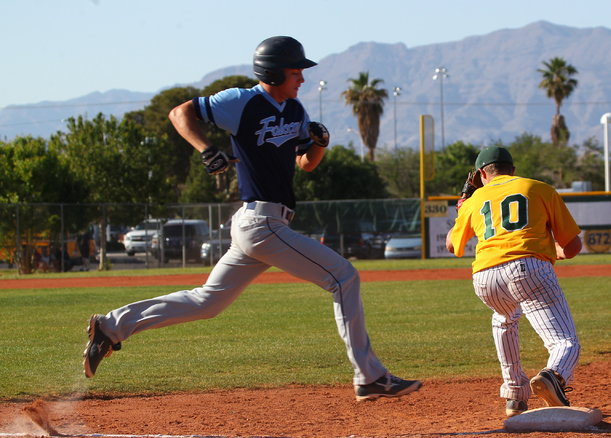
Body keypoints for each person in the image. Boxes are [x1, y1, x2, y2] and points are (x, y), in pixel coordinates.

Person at [83, 36, 421, 401]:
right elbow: (180, 113)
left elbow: (305, 164)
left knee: (207, 302)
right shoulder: (242, 102)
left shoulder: (296, 111)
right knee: (344, 277)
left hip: (266, 225)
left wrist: (319, 143)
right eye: (296, 71)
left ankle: (111, 326)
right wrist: (207, 149)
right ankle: (370, 376)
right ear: (273, 72)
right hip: (260, 223)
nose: (302, 79)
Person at [445, 146, 582, 418]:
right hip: (527, 269)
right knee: (565, 342)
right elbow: (573, 245)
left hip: (484, 277)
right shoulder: (539, 188)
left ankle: (515, 394)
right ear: (513, 170)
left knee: (505, 318)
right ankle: (552, 376)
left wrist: (463, 206)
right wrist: (550, 250)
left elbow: (452, 245)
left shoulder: (475, 199)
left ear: (482, 174)